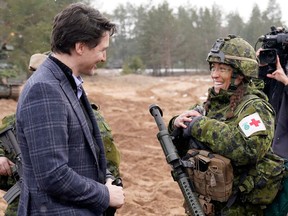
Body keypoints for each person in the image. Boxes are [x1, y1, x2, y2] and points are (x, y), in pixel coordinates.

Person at [15, 3, 124, 215]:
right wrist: (104, 194)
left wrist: (106, 177)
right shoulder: (45, 89)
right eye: (102, 50)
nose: (104, 58)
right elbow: (52, 175)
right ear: (80, 47)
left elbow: (82, 149)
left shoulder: (66, 82)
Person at [168, 35, 286, 215]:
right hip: (205, 204)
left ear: (241, 73)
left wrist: (200, 126)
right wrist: (175, 124)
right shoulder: (210, 105)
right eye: (213, 67)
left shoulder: (254, 107)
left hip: (239, 208)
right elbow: (176, 150)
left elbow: (250, 148)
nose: (214, 74)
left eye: (222, 68)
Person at [258, 48, 288, 159]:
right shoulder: (275, 74)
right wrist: (261, 67)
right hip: (269, 147)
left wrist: (286, 82)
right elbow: (259, 95)